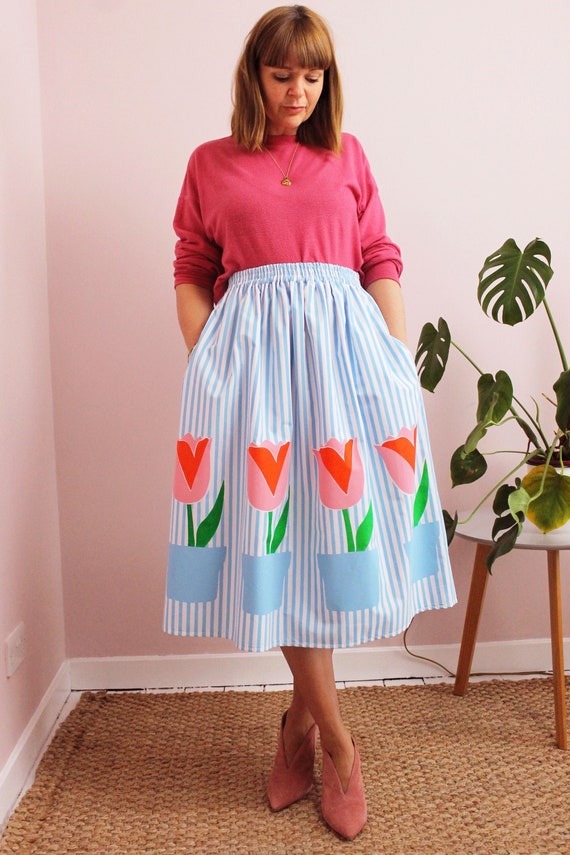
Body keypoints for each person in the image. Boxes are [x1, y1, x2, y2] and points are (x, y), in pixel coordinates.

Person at [164, 5, 456, 841]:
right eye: (282, 73)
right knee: (278, 544)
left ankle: (298, 726)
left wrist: (396, 357)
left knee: (327, 547)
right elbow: (192, 264)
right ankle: (337, 740)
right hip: (251, 381)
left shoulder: (347, 155)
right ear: (253, 75)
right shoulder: (210, 162)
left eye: (314, 75)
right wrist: (207, 358)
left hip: (346, 372)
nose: (299, 90)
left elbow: (378, 257)